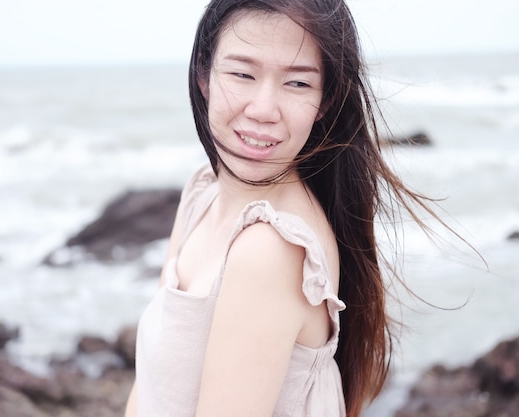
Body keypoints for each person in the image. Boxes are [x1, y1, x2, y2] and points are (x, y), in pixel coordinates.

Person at [125, 0, 436, 416]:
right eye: (242, 74)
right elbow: (148, 391)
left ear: (326, 101)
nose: (263, 110)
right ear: (204, 75)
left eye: (297, 84)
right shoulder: (203, 193)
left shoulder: (270, 250)